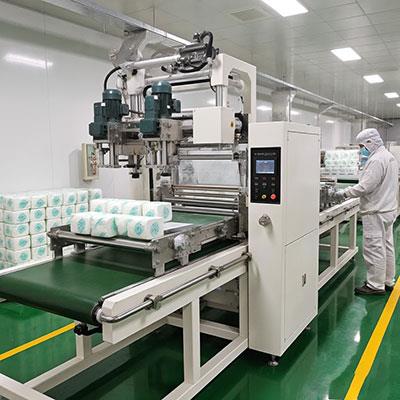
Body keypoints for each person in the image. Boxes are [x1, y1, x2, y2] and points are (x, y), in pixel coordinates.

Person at [335, 128, 398, 295]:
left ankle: (375, 285)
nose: (361, 150)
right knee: (387, 246)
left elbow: (365, 187)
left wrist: (343, 193)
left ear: (370, 142)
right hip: (388, 209)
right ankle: (387, 280)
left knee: (374, 247)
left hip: (376, 211)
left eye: (362, 146)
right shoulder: (389, 156)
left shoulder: (376, 160)